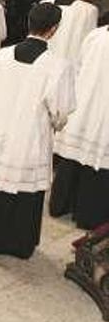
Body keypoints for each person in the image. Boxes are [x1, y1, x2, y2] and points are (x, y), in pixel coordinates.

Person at [0, 4, 76, 259]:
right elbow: (61, 111)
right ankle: (14, 242)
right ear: (54, 29)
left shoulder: (3, 55)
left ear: (28, 22)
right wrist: (55, 124)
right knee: (20, 188)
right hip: (28, 139)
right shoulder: (58, 66)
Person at [50, 25, 109, 229]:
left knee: (73, 156)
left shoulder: (95, 35)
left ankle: (61, 204)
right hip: (103, 113)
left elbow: (79, 66)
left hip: (85, 102)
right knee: (98, 161)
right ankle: (89, 215)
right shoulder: (94, 35)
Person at [41, 0, 98, 71]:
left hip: (44, 64)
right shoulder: (89, 10)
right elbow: (89, 43)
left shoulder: (45, 3)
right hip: (71, 67)